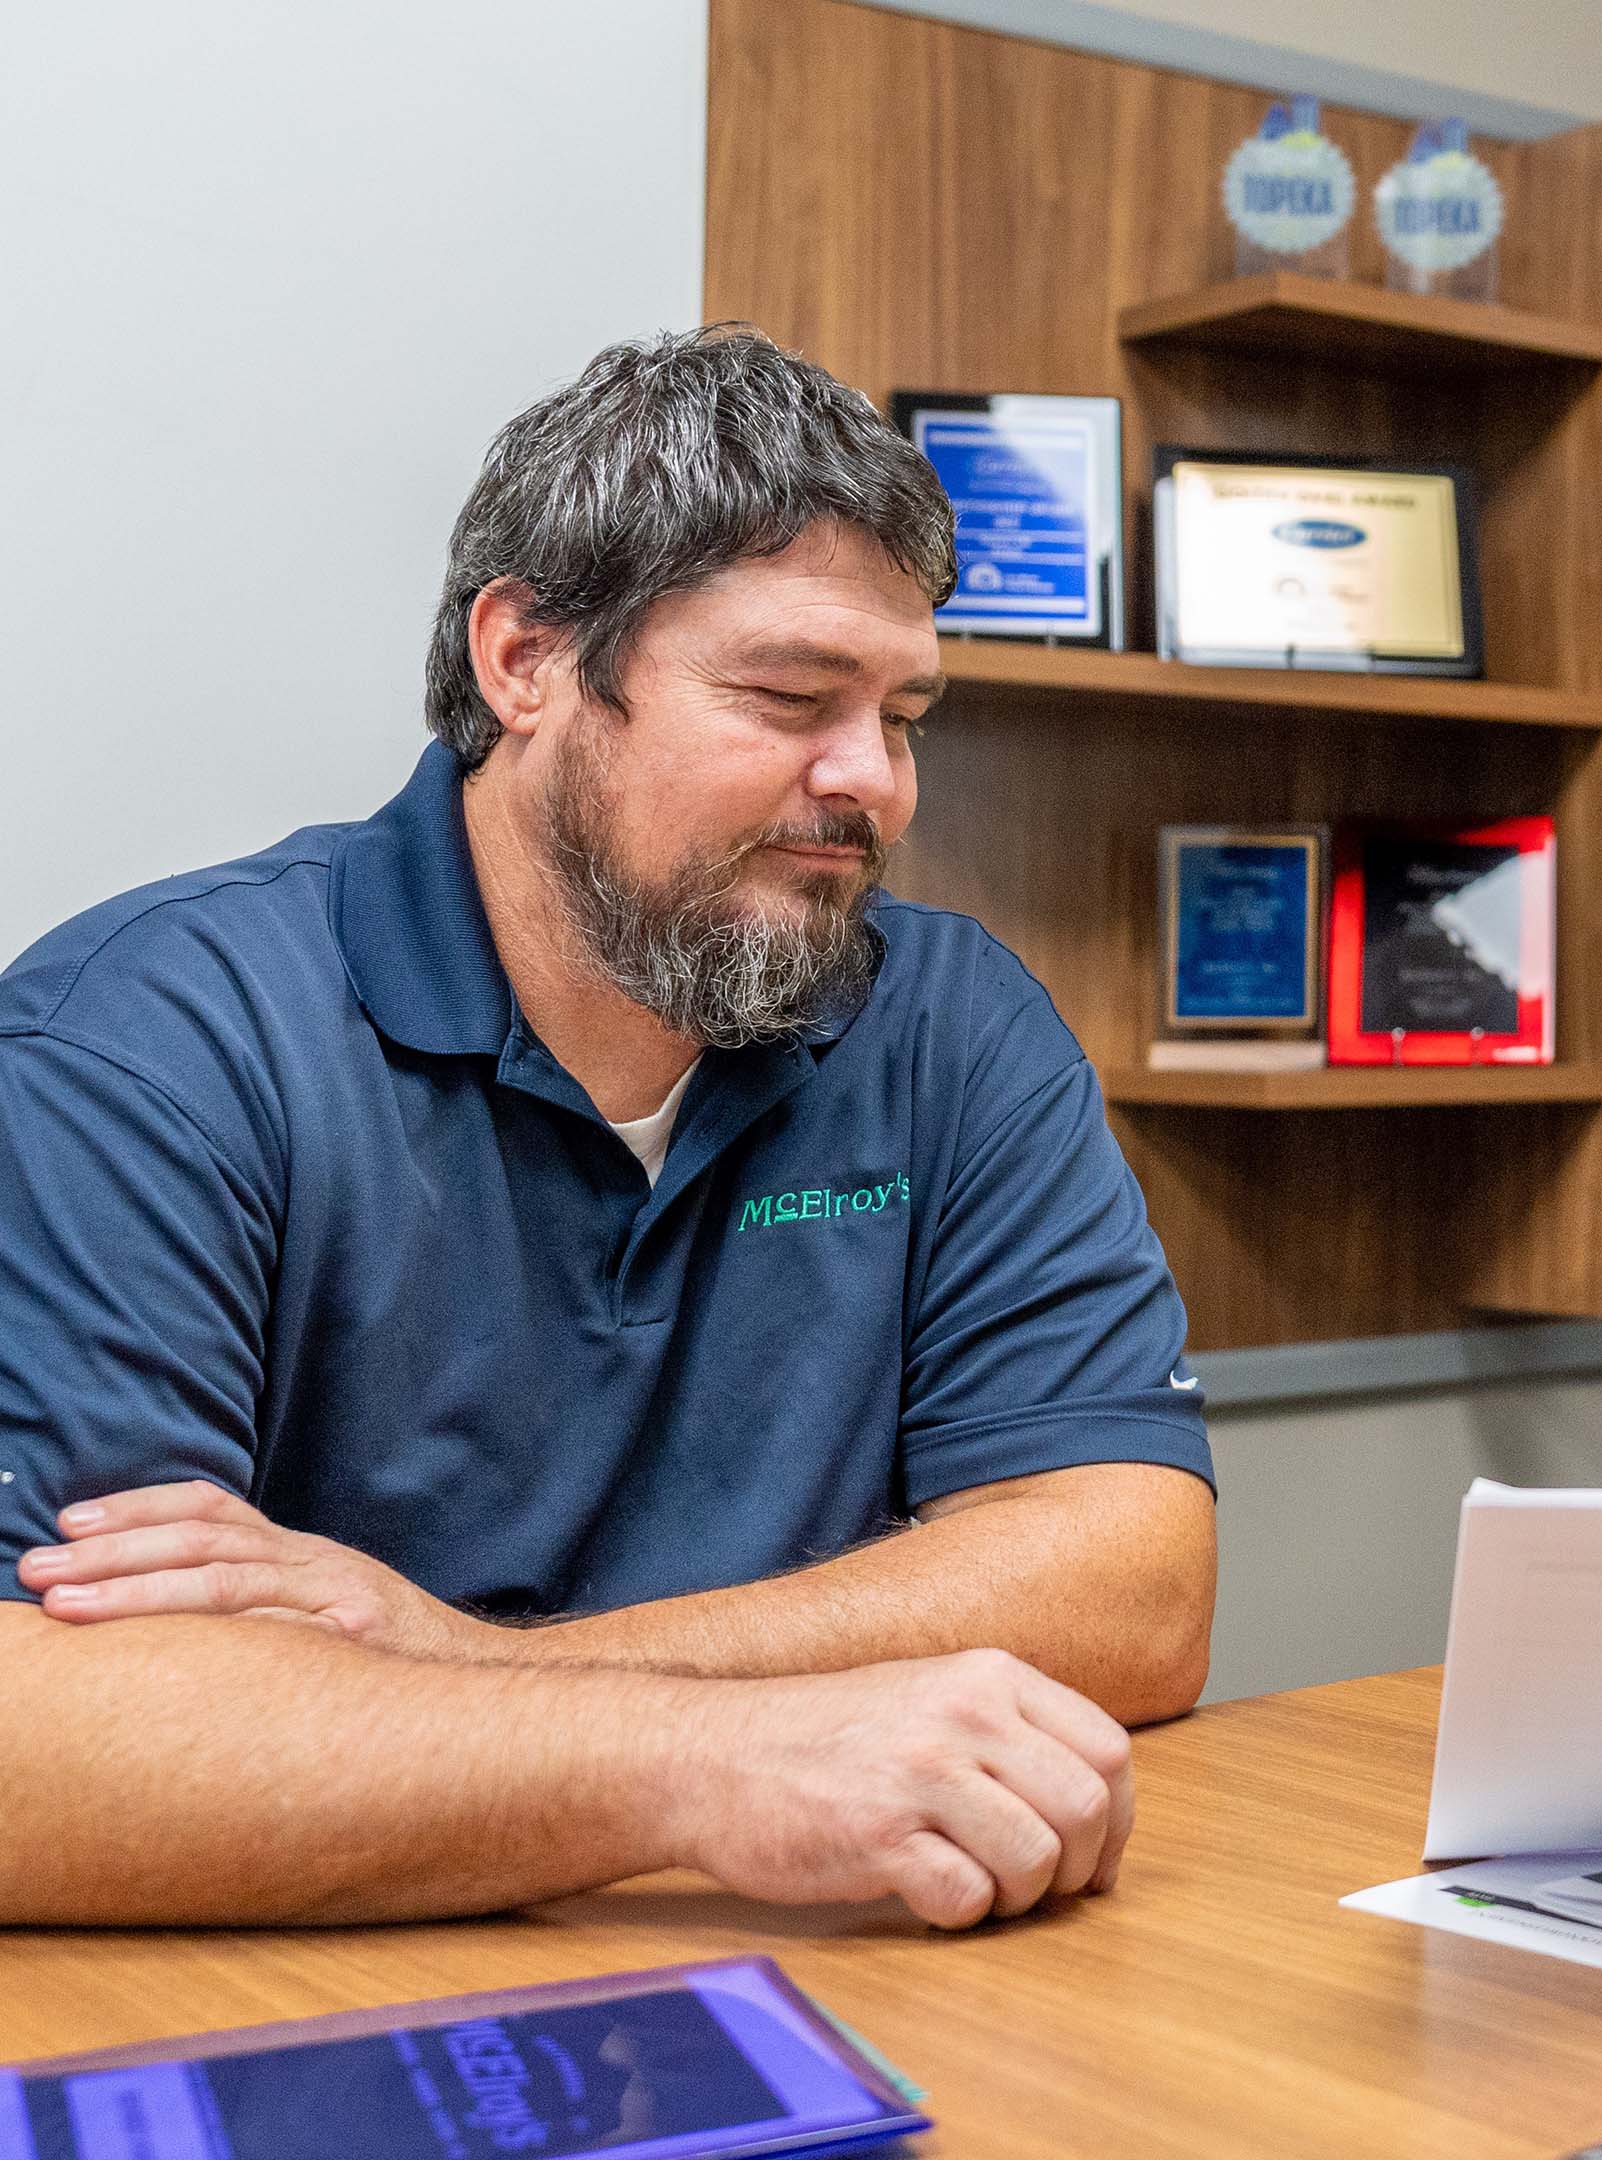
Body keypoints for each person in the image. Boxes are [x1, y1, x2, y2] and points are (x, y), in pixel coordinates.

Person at [0, 328, 1214, 1929]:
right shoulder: (148, 1042)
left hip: (842, 1961)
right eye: (789, 697)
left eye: (904, 713)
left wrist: (485, 1671)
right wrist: (704, 1764)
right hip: (321, 1993)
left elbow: (1134, 1580)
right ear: (527, 660)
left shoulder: (951, 1021)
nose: (873, 781)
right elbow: (37, 1734)